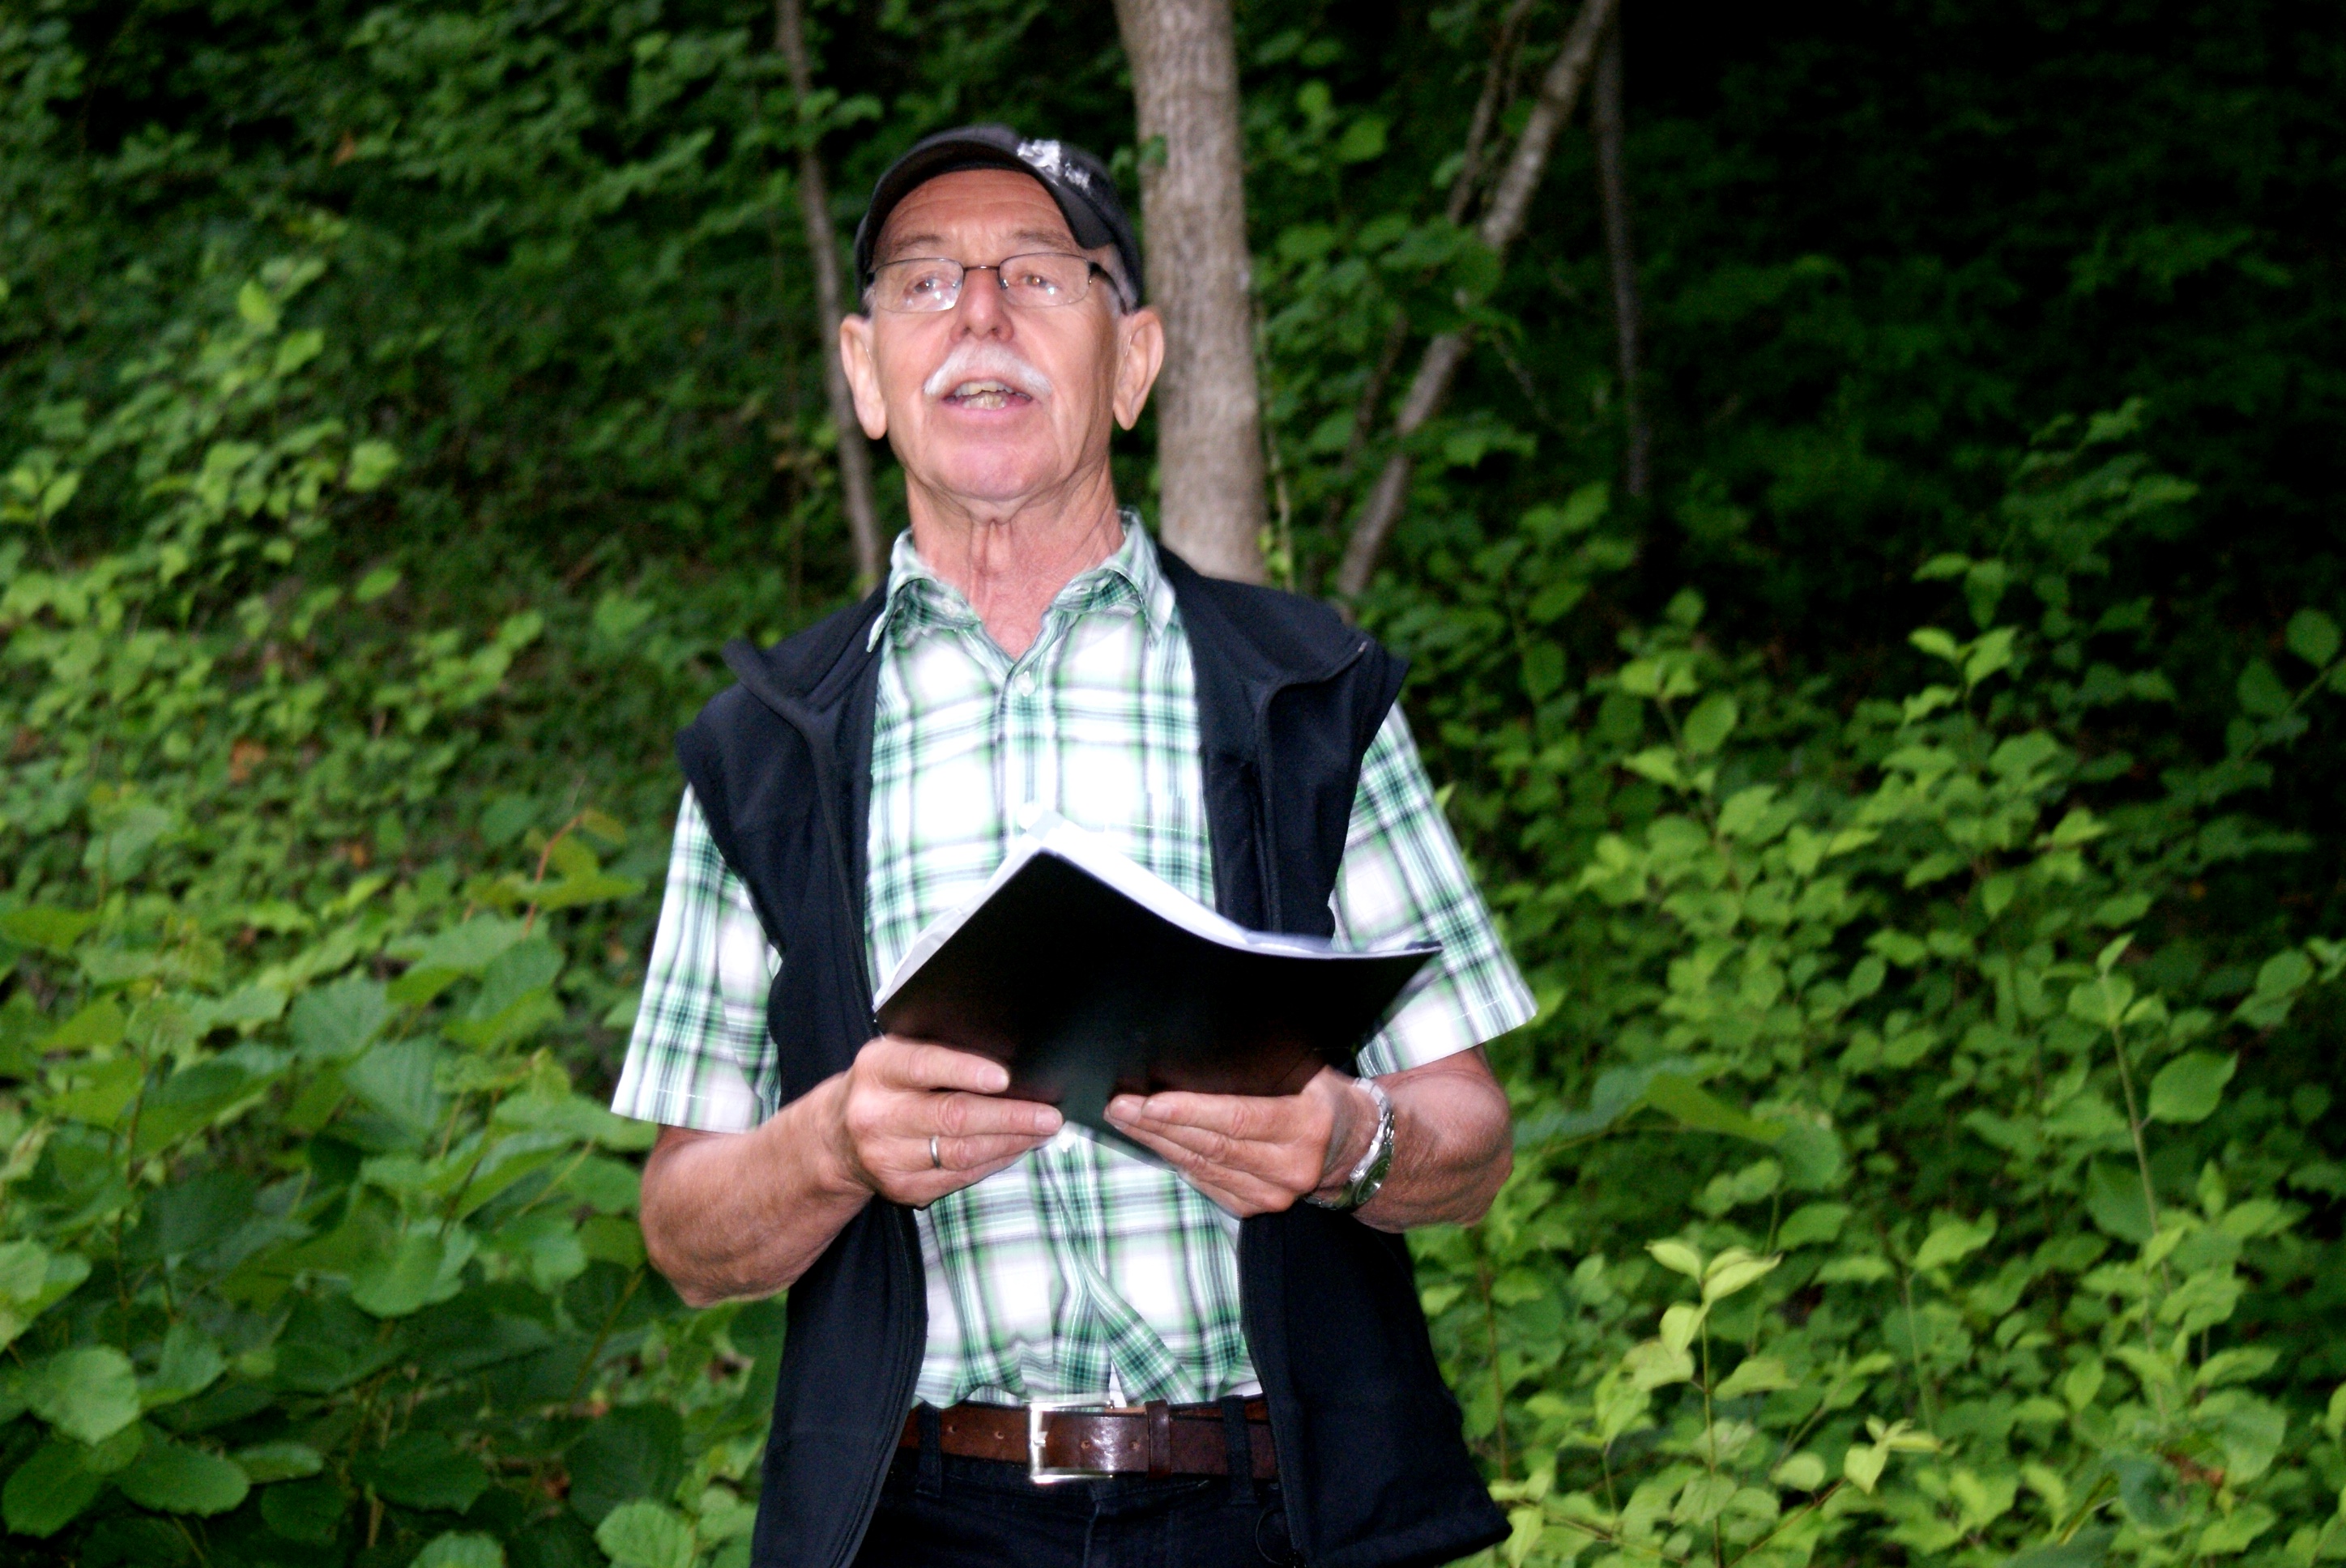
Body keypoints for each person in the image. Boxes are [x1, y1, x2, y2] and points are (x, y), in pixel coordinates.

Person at [613, 125, 1534, 1568]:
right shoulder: (768, 750)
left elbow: (1469, 1136)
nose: (980, 315)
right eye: (926, 282)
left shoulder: (1306, 695)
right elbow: (683, 1233)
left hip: (1277, 1512)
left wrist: (1346, 1144)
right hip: (917, 1521)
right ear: (865, 373)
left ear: (1135, 362)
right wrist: (834, 1144)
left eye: (1040, 274)